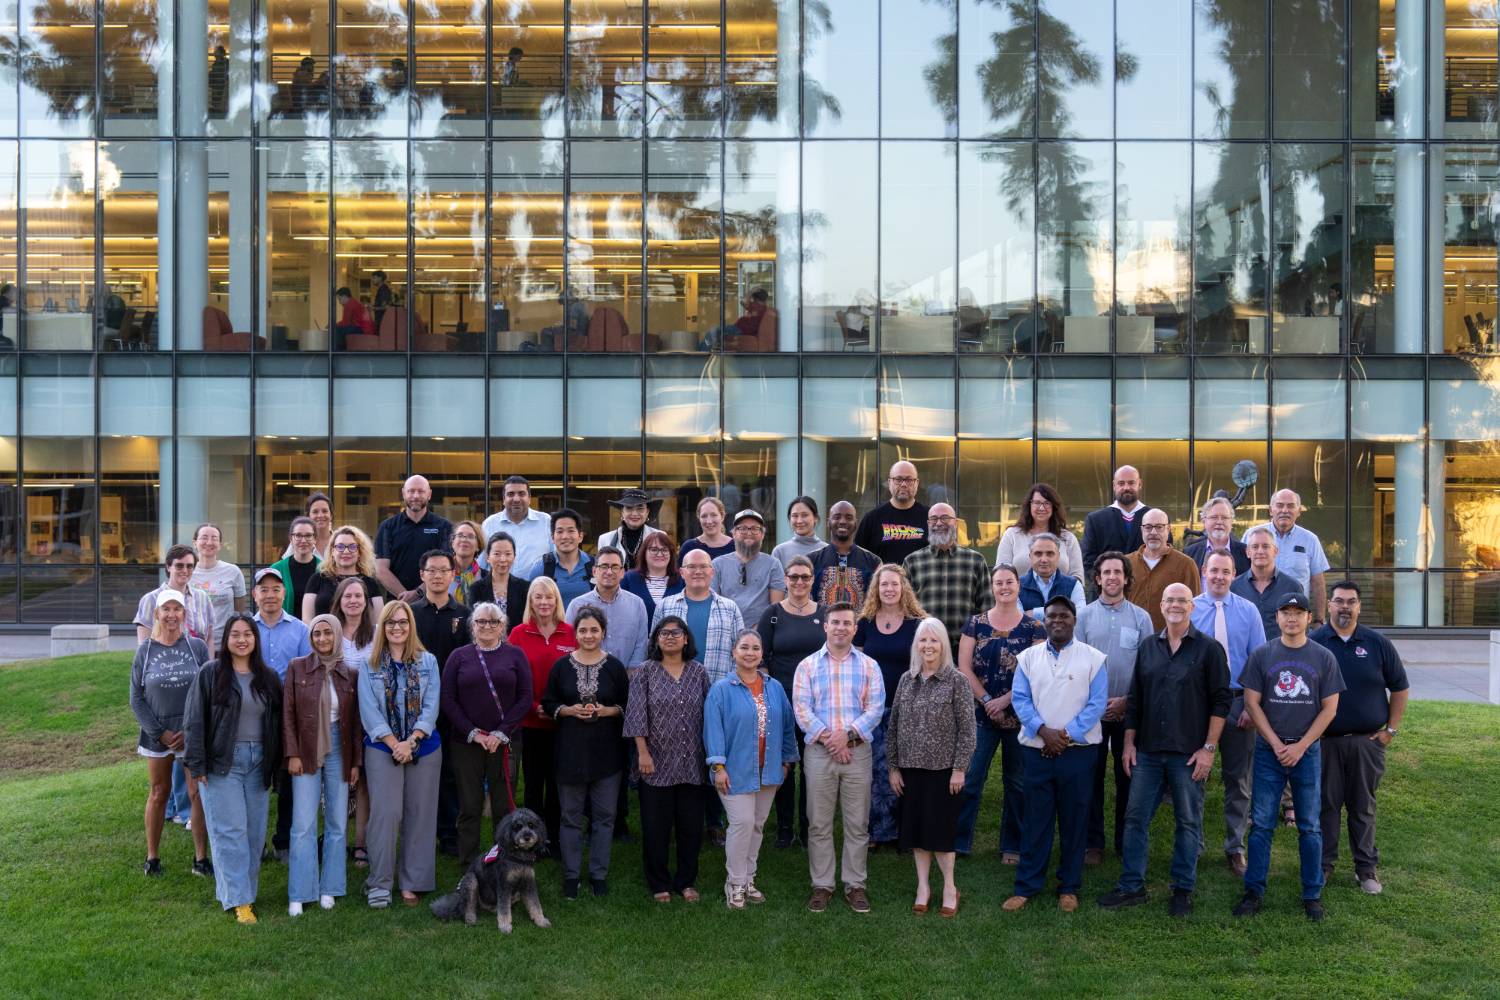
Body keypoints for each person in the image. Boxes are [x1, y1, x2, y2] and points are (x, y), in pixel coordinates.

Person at [1096, 583, 1230, 917]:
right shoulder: (1148, 648)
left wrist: (1209, 749)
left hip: (1189, 753)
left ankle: (1183, 889)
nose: (1175, 606)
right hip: (1149, 751)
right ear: (1161, 604)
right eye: (1170, 600)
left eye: (1182, 601)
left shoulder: (1209, 650)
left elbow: (1221, 701)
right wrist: (1128, 743)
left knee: (1188, 822)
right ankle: (1132, 886)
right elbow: (1136, 699)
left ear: (1192, 607)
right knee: (1135, 818)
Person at [1235, 593, 1344, 921]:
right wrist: (1275, 742)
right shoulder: (1263, 655)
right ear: (1278, 618)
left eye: (1299, 613)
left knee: (1310, 825)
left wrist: (1300, 746)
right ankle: (1254, 891)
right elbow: (1252, 703)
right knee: (1262, 824)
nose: (1292, 618)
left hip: (1307, 751)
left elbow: (1330, 708)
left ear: (1309, 618)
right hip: (1270, 751)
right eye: (1286, 613)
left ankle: (1312, 894)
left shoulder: (1323, 657)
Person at [1001, 596, 1107, 914]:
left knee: (1075, 821)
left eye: (1063, 616)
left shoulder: (1094, 658)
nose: (1057, 621)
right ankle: (1027, 886)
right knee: (1036, 820)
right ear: (1044, 622)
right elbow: (1020, 699)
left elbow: (1097, 703)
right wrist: (1043, 731)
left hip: (1078, 753)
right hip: (1037, 751)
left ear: (1074, 621)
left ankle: (1069, 887)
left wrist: (1064, 736)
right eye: (1051, 617)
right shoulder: (1028, 658)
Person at [183, 613, 283, 924]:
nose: (242, 639)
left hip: (258, 763)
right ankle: (239, 901)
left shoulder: (267, 678)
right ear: (226, 640)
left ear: (255, 639)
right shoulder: (211, 673)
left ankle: (245, 893)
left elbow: (277, 726)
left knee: (254, 834)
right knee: (230, 832)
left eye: (248, 634)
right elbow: (194, 720)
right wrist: (197, 763)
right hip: (222, 763)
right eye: (235, 634)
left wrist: (276, 767)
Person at [1312, 580, 1409, 894]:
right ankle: (1324, 865)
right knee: (1326, 806)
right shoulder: (1314, 642)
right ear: (1328, 604)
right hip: (1325, 742)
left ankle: (1365, 868)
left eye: (1350, 602)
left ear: (1359, 606)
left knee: (1362, 806)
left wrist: (1390, 731)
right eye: (1338, 601)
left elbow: (1400, 687)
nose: (1344, 607)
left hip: (1367, 743)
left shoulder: (1377, 643)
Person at [793, 603, 885, 914]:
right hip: (819, 754)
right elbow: (802, 710)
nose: (841, 628)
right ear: (825, 626)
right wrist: (832, 740)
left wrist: (846, 736)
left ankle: (855, 884)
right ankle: (822, 885)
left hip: (857, 753)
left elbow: (875, 708)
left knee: (857, 823)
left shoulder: (869, 666)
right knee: (818, 823)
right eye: (836, 622)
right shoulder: (807, 666)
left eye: (847, 623)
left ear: (855, 628)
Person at [954, 564, 1046, 861]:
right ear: (992, 588)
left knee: (1017, 785)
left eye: (1009, 582)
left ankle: (1012, 845)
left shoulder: (1035, 629)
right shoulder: (975, 624)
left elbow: (1036, 674)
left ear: (1018, 585)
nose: (1004, 587)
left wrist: (1005, 700)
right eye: (998, 583)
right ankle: (959, 842)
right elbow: (963, 668)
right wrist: (985, 700)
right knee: (970, 778)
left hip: (1020, 718)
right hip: (980, 716)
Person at [704, 628, 799, 910]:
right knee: (742, 823)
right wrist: (718, 766)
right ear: (734, 652)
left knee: (757, 825)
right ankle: (734, 883)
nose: (750, 653)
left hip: (768, 770)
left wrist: (786, 761)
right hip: (734, 770)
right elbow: (712, 730)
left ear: (761, 654)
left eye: (755, 648)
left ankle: (748, 879)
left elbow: (787, 725)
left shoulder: (774, 687)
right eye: (744, 647)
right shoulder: (721, 689)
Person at [357, 600, 443, 909]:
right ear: (383, 627)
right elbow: (369, 712)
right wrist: (396, 744)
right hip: (382, 747)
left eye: (403, 622)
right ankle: (379, 882)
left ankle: (413, 882)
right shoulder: (369, 665)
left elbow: (432, 706)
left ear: (411, 626)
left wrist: (413, 740)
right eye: (391, 623)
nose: (397, 628)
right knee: (386, 814)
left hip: (425, 746)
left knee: (419, 814)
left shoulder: (428, 661)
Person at [888, 618, 975, 917]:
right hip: (910, 770)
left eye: (934, 640)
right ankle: (923, 886)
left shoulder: (957, 681)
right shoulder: (906, 680)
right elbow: (894, 725)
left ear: (943, 645)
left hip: (944, 771)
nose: (928, 646)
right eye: (923, 640)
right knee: (916, 832)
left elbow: (968, 730)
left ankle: (950, 887)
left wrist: (960, 768)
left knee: (941, 834)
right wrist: (893, 768)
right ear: (916, 645)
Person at [541, 606, 630, 899]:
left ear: (603, 632)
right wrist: (566, 710)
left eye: (594, 630)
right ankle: (570, 875)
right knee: (570, 816)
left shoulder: (615, 667)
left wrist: (607, 711)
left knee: (605, 817)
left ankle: (598, 874)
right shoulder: (561, 666)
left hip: (607, 754)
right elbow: (548, 702)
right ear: (575, 633)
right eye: (583, 630)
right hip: (570, 752)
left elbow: (628, 706)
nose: (589, 635)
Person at [1191, 550, 1268, 875]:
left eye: (1226, 571)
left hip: (1238, 704)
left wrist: (1253, 706)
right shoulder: (1190, 608)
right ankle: (1192, 845)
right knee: (1194, 777)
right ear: (1204, 572)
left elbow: (1258, 662)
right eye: (1214, 571)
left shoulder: (1248, 611)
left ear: (1234, 574)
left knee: (1238, 779)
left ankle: (1234, 847)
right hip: (1198, 705)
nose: (1219, 576)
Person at [624, 616, 710, 903]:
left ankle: (686, 881)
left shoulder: (699, 672)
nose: (670, 637)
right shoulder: (645, 673)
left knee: (690, 827)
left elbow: (710, 717)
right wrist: (643, 753)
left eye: (677, 633)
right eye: (664, 633)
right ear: (656, 639)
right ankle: (659, 882)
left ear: (686, 639)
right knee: (655, 827)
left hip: (692, 763)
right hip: (656, 762)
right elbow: (636, 716)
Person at [1075, 551, 1153, 864]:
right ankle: (1093, 842)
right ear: (1097, 578)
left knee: (1128, 776)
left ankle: (1126, 840)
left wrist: (1126, 701)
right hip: (1091, 712)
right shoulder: (1084, 617)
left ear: (1125, 578)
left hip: (1128, 710)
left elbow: (1148, 668)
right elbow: (1077, 665)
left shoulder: (1141, 618)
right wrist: (1097, 703)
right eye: (1106, 572)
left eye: (1117, 573)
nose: (1111, 578)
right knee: (1091, 777)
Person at [441, 602, 532, 866]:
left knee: (503, 806)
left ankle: (504, 860)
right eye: (481, 621)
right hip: (466, 742)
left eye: (493, 622)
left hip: (505, 743)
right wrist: (472, 733)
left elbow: (525, 697)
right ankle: (469, 863)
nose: (487, 626)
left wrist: (501, 733)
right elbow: (448, 698)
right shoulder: (459, 656)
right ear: (472, 626)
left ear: (503, 626)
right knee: (469, 806)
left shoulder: (515, 656)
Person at [283, 615, 362, 916]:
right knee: (303, 824)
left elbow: (355, 723)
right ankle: (300, 891)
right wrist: (292, 753)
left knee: (338, 823)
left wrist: (355, 762)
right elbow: (288, 715)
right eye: (317, 633)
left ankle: (330, 886)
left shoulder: (349, 673)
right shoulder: (297, 667)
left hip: (339, 748)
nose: (322, 638)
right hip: (306, 748)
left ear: (338, 635)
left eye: (328, 632)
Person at [130, 589, 213, 878]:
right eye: (166, 609)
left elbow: (208, 691)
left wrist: (191, 729)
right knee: (159, 792)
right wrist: (160, 732)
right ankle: (152, 857)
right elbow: (136, 698)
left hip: (191, 732)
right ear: (157, 614)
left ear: (184, 614)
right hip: (158, 735)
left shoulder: (197, 647)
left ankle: (201, 859)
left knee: (196, 793)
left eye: (177, 609)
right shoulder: (146, 651)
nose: (171, 615)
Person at [852, 564, 925, 848]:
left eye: (894, 584)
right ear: (876, 589)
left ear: (903, 587)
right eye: (884, 585)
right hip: (873, 709)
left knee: (906, 770)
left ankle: (906, 832)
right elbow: (856, 665)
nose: (889, 589)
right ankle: (877, 832)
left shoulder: (917, 623)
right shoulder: (865, 623)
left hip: (908, 708)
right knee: (876, 772)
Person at [757, 555, 824, 849]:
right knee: (784, 765)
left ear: (812, 580)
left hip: (817, 706)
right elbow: (761, 661)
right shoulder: (772, 614)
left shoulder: (825, 614)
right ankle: (784, 828)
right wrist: (769, 697)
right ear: (785, 579)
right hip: (781, 702)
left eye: (804, 577)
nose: (799, 582)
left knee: (813, 767)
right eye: (793, 577)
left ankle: (809, 828)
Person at [409, 549, 471, 857]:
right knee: (416, 769)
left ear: (452, 575)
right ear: (422, 575)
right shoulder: (410, 613)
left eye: (443, 570)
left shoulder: (464, 614)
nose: (437, 575)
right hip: (414, 704)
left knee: (449, 770)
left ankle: (448, 833)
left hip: (451, 705)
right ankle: (416, 832)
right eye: (431, 570)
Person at [510, 577, 576, 849]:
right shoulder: (518, 634)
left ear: (557, 600)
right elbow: (512, 680)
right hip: (531, 721)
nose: (544, 602)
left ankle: (555, 838)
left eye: (549, 596)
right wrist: (534, 706)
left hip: (564, 722)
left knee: (559, 783)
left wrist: (559, 709)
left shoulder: (570, 633)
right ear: (530, 601)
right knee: (534, 784)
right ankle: (532, 841)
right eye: (538, 596)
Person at [251, 567, 311, 860]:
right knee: (256, 779)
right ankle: (256, 842)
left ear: (284, 593)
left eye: (276, 589)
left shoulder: (300, 630)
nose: (270, 595)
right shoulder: (245, 629)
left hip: (290, 714)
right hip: (254, 714)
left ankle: (283, 841)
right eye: (264, 589)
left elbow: (306, 675)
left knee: (288, 781)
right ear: (255, 595)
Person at [332, 575, 378, 868]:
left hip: (367, 715)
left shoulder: (375, 634)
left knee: (363, 783)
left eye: (358, 596)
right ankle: (336, 842)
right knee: (336, 782)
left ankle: (361, 843)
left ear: (365, 601)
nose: (353, 601)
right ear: (339, 601)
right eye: (347, 596)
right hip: (335, 717)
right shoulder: (328, 631)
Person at [902, 502, 989, 657]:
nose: (939, 523)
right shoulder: (912, 561)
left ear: (955, 522)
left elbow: (986, 609)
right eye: (933, 519)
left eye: (945, 518)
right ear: (928, 524)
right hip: (924, 649)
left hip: (965, 650)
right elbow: (904, 609)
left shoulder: (975, 560)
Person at [652, 549, 745, 685]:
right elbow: (654, 648)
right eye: (691, 567)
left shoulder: (730, 608)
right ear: (682, 573)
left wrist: (731, 684)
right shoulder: (665, 606)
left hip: (719, 688)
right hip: (672, 690)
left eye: (703, 566)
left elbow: (740, 651)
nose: (698, 571)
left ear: (712, 572)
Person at [1242, 489, 1331, 621]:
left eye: (1290, 506)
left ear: (1299, 511)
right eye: (1279, 505)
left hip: (1295, 618)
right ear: (1271, 510)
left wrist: (1319, 620)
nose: (1284, 510)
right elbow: (1241, 575)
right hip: (1256, 617)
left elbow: (1318, 583)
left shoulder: (1310, 540)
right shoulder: (1251, 536)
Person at [565, 545, 649, 668]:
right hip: (586, 678)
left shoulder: (637, 605)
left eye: (615, 567)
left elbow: (641, 647)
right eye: (604, 566)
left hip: (628, 679)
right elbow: (570, 644)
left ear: (622, 572)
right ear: (594, 571)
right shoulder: (576, 605)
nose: (609, 572)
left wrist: (630, 676)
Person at [373, 476, 453, 600]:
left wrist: (417, 593)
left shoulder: (444, 527)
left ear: (429, 494)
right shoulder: (388, 527)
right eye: (411, 491)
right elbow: (381, 569)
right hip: (397, 604)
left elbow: (446, 567)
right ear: (403, 493)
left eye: (421, 491)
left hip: (434, 603)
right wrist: (405, 596)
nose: (415, 496)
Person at [1126, 509, 1202, 631]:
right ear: (1142, 530)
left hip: (1170, 642)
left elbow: (1195, 607)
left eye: (1159, 527)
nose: (1153, 532)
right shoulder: (1127, 563)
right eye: (1148, 527)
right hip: (1132, 638)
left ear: (1169, 529)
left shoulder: (1186, 565)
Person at [712, 509, 787, 628]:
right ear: (734, 534)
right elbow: (712, 605)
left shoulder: (773, 565)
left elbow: (776, 609)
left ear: (762, 534)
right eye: (742, 528)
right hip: (725, 630)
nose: (749, 532)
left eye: (755, 528)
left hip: (762, 633)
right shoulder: (717, 565)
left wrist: (759, 630)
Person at [1231, 526, 1307, 640]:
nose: (1260, 551)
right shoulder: (1234, 587)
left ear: (1275, 551)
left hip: (1281, 655)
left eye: (1265, 546)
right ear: (1248, 552)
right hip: (1245, 655)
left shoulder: (1292, 587)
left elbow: (1301, 628)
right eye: (1255, 547)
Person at [1081, 465, 1152, 584]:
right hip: (1107, 593)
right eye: (1121, 483)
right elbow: (1088, 560)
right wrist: (1104, 584)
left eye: (1131, 483)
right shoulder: (1095, 520)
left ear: (1140, 484)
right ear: (1114, 485)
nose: (1126, 487)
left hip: (1147, 592)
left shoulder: (1155, 518)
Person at [135, 544, 215, 649]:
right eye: (179, 566)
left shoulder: (202, 598)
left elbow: (209, 639)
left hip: (199, 664)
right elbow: (144, 647)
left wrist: (209, 665)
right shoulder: (150, 600)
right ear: (168, 567)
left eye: (189, 566)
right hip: (164, 663)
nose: (185, 570)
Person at [995, 483, 1084, 578]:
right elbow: (1001, 574)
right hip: (1020, 593)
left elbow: (1077, 576)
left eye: (1046, 503)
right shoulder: (1012, 535)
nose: (1042, 508)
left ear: (1054, 507)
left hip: (1061, 593)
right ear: (1029, 505)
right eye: (1037, 503)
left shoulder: (1068, 538)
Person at [855, 461, 930, 564]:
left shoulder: (931, 518)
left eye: (909, 480)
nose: (904, 484)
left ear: (917, 483)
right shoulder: (872, 519)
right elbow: (858, 559)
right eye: (898, 479)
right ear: (889, 482)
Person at [810, 500, 881, 608]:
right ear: (828, 522)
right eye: (837, 517)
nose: (842, 521)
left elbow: (878, 602)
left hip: (860, 624)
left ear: (856, 523)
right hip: (820, 624)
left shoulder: (873, 562)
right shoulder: (812, 560)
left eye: (848, 517)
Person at [304, 525, 384, 621]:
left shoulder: (370, 583)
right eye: (340, 546)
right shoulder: (317, 579)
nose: (346, 551)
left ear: (359, 552)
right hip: (323, 635)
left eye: (352, 546)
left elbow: (378, 624)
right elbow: (307, 621)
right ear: (332, 551)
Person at [521, 507, 594, 608]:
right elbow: (531, 607)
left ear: (580, 536)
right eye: (559, 531)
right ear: (552, 537)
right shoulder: (541, 568)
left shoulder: (594, 566)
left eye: (571, 531)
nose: (565, 536)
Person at [479, 475, 552, 573]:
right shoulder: (490, 524)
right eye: (511, 494)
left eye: (521, 494)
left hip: (535, 587)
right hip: (500, 588)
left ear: (529, 498)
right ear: (504, 499)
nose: (516, 499)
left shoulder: (546, 522)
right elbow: (481, 564)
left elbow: (557, 558)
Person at [191, 522, 247, 638]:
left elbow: (240, 612)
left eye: (214, 538)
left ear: (220, 545)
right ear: (195, 543)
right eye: (204, 538)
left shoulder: (233, 571)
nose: (209, 542)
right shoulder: (186, 572)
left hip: (225, 643)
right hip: (192, 642)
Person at [1016, 533, 1085, 619]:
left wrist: (1034, 613)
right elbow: (1017, 620)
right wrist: (1066, 611)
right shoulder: (1016, 586)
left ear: (1058, 556)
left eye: (1050, 554)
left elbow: (1081, 616)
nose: (1044, 559)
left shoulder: (1074, 584)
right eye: (1038, 554)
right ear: (1030, 556)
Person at [468, 531, 531, 623]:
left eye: (508, 554)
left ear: (514, 557)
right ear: (488, 557)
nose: (503, 559)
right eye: (497, 554)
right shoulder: (476, 589)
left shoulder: (525, 587)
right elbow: (473, 622)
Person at [596, 488, 666, 568]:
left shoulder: (661, 537)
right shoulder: (605, 539)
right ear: (622, 512)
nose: (635, 513)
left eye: (640, 508)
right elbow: (601, 571)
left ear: (647, 512)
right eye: (629, 508)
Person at [621, 532, 684, 621]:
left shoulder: (681, 580)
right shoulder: (629, 579)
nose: (659, 554)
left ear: (671, 554)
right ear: (644, 552)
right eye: (654, 550)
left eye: (665, 550)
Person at [269, 517, 321, 617]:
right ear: (291, 539)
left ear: (315, 539)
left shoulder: (325, 570)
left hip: (317, 630)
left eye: (308, 535)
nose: (303, 540)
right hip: (285, 630)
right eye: (298, 535)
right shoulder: (276, 570)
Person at [1184, 496, 1249, 576]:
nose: (1219, 522)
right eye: (1214, 517)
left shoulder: (1246, 553)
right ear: (1204, 521)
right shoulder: (1189, 553)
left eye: (1224, 518)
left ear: (1231, 522)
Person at [771, 495, 827, 570]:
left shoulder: (827, 551)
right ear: (789, 518)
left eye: (804, 515)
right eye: (795, 516)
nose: (799, 521)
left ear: (815, 518)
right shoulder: (779, 552)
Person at [678, 496, 734, 561]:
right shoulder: (688, 547)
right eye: (704, 516)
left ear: (722, 516)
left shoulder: (735, 546)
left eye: (713, 515)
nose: (709, 521)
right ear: (699, 518)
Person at [448, 520, 485, 607]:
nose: (464, 539)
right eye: (460, 535)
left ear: (478, 546)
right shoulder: (441, 574)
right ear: (453, 543)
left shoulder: (486, 578)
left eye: (470, 536)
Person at [303, 491, 335, 561]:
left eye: (325, 511)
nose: (320, 515)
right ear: (308, 516)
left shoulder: (339, 541)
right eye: (315, 512)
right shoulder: (299, 541)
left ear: (331, 515)